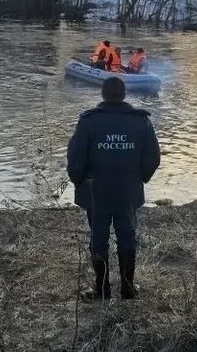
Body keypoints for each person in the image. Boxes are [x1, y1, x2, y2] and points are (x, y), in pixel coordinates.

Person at [66, 77, 161, 300]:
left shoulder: (89, 121)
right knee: (127, 235)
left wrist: (78, 181)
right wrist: (140, 179)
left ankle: (101, 290)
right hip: (128, 190)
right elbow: (154, 157)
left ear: (103, 94)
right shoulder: (141, 121)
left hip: (96, 190)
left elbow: (75, 158)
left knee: (98, 237)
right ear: (124, 94)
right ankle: (128, 288)